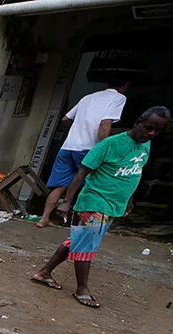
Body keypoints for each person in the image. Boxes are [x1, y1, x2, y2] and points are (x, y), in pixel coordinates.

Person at [31, 106, 170, 308]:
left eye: (157, 131)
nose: (151, 134)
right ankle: (82, 290)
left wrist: (129, 198)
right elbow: (81, 174)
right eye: (149, 128)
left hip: (114, 205)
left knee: (77, 240)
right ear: (138, 121)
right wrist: (67, 201)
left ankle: (44, 273)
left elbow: (134, 172)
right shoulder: (109, 145)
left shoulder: (145, 145)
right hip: (94, 202)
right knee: (86, 246)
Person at [38, 76, 131, 227]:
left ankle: (44, 218)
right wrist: (102, 148)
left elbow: (65, 119)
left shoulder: (88, 97)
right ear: (125, 85)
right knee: (91, 186)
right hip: (88, 148)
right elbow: (105, 122)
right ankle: (83, 223)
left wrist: (79, 129)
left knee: (60, 186)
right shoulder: (119, 98)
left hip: (68, 146)